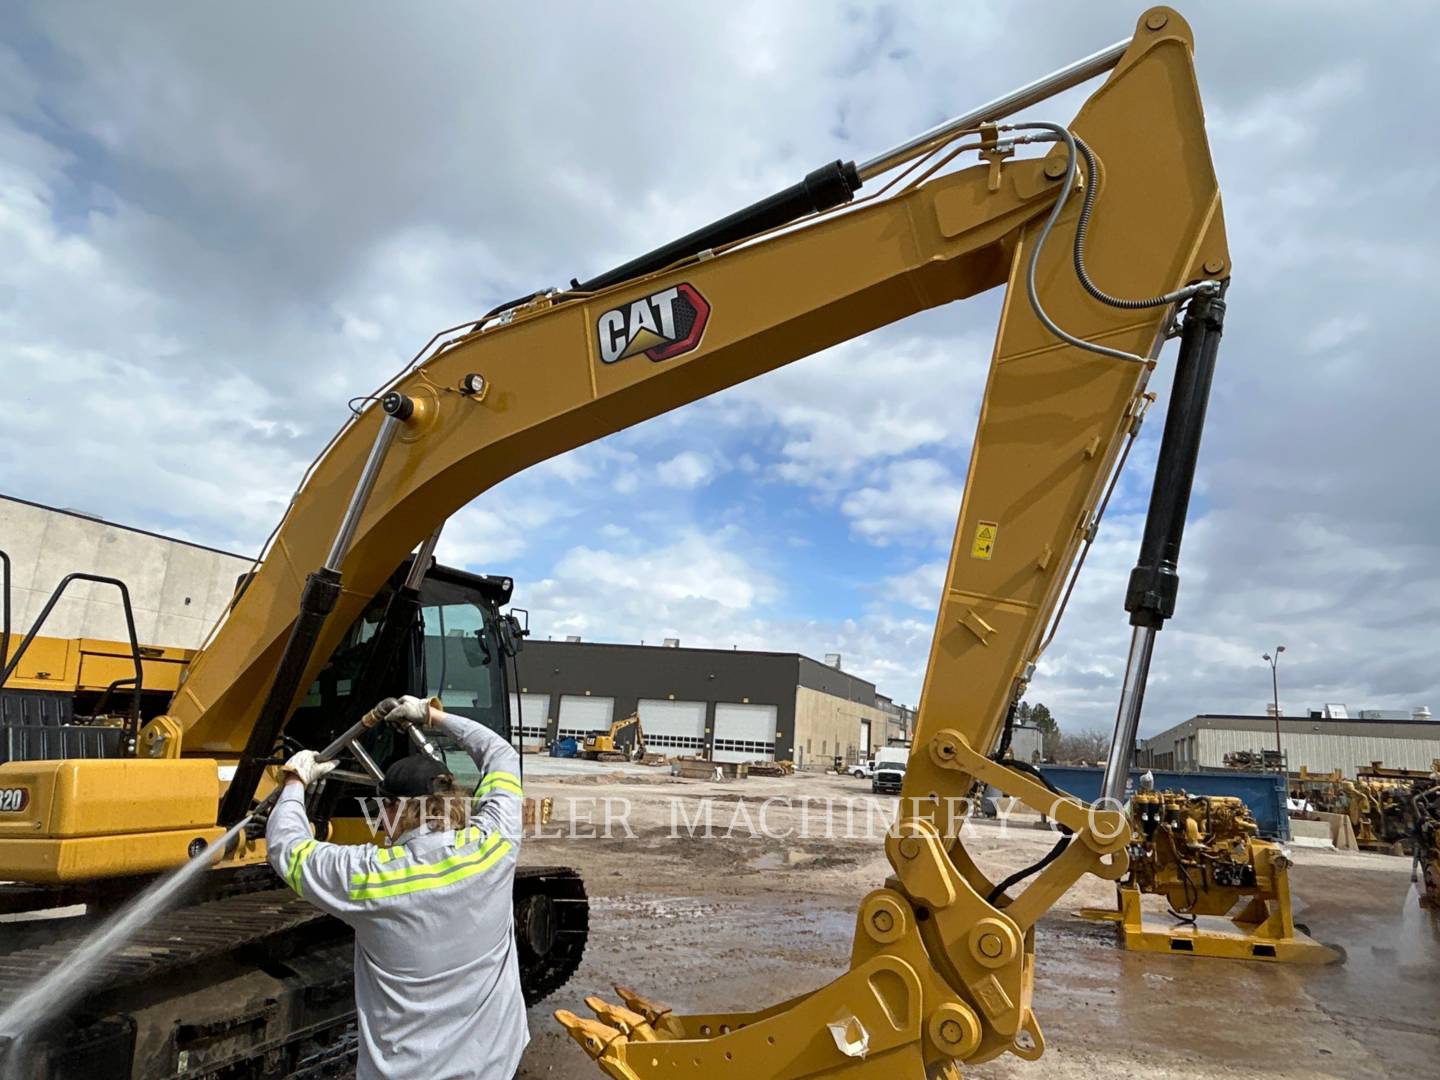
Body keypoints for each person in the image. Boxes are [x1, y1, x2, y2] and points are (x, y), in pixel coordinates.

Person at [266, 695, 527, 1079]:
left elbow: (289, 850)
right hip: (494, 1067)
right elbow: (501, 754)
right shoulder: (494, 846)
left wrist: (294, 782)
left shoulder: (372, 878)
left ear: (391, 813)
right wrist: (433, 716)